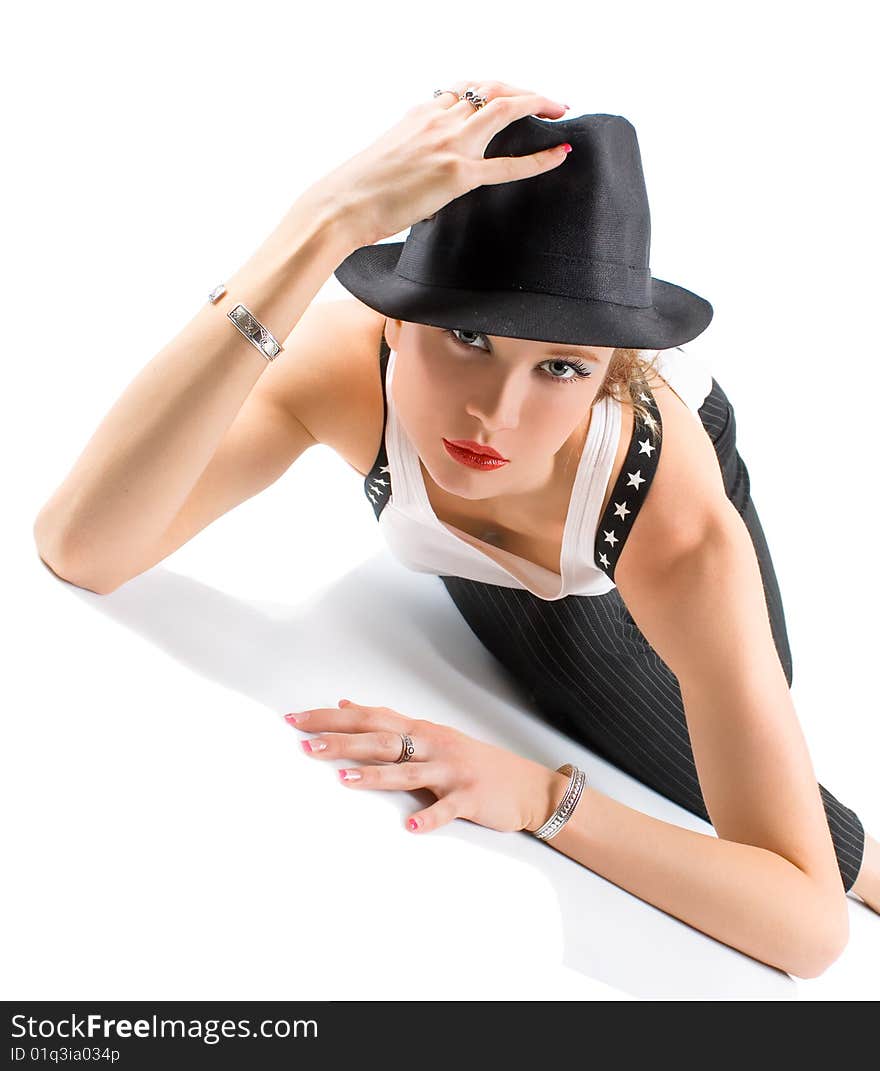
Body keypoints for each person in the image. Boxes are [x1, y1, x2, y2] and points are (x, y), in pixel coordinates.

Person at [33, 80, 877, 978]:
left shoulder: (677, 524)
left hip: (632, 518)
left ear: (608, 375)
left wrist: (540, 796)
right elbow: (84, 545)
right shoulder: (340, 365)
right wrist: (321, 222)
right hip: (520, 535)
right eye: (467, 337)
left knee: (661, 734)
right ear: (396, 320)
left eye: (560, 365)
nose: (494, 417)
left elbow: (807, 928)